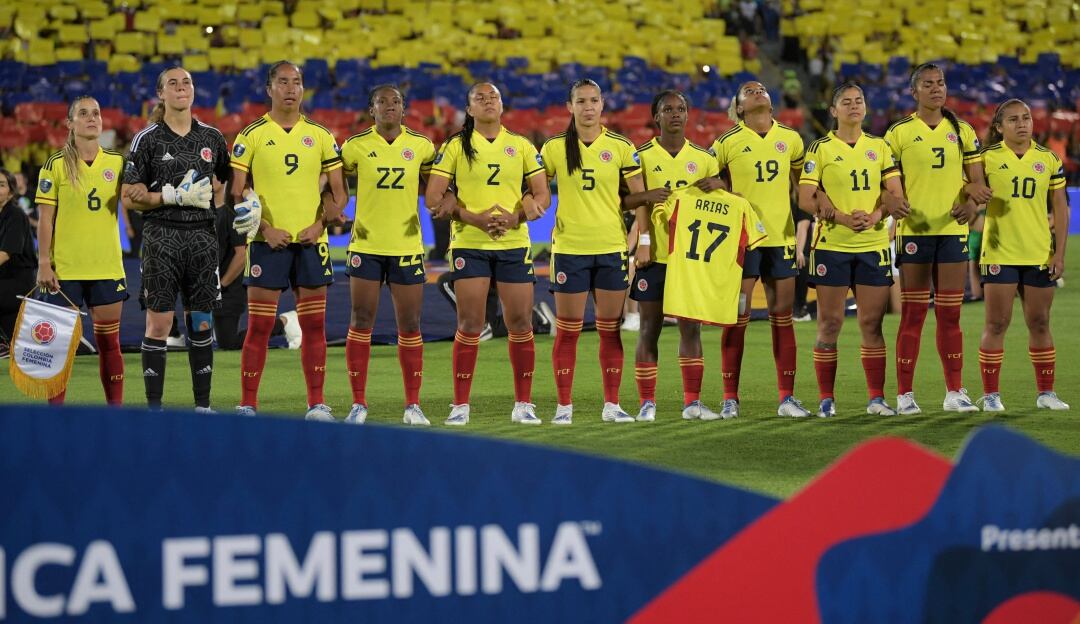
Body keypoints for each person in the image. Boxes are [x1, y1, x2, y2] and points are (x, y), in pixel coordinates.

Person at [425, 82, 550, 426]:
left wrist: (517, 217)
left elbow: (542, 195)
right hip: (470, 243)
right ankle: (460, 405)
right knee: (470, 323)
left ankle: (523, 404)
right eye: (479, 98)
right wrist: (473, 219)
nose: (488, 101)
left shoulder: (521, 145)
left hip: (513, 243)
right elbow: (434, 197)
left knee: (520, 323)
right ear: (469, 109)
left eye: (493, 95)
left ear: (503, 103)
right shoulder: (455, 146)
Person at [230, 61, 347, 420]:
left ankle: (316, 403)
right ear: (269, 89)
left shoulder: (322, 135)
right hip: (268, 243)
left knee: (313, 327)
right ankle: (248, 404)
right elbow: (237, 193)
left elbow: (340, 194)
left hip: (311, 243)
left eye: (296, 82)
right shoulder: (250, 135)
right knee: (260, 326)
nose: (291, 89)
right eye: (283, 82)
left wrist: (321, 223)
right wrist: (265, 229)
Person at [122, 67, 232, 412]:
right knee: (159, 324)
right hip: (161, 238)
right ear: (161, 94)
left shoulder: (213, 138)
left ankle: (203, 406)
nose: (182, 88)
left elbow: (228, 182)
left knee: (201, 322)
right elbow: (128, 195)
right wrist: (168, 196)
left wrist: (244, 205)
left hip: (202, 238)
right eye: (174, 83)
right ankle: (155, 409)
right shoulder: (148, 139)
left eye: (187, 82)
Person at [884, 63, 991, 414]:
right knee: (912, 314)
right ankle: (904, 395)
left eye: (941, 83)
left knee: (950, 315)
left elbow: (977, 185)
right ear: (914, 92)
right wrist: (892, 204)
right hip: (914, 231)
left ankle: (955, 392)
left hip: (952, 233)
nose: (936, 89)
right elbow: (884, 185)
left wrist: (972, 209)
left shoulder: (963, 131)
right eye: (928, 84)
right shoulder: (898, 133)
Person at [798, 82, 909, 418]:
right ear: (834, 111)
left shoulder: (880, 147)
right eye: (846, 102)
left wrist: (876, 214)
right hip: (832, 246)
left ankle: (876, 398)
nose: (853, 106)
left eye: (858, 100)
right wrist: (843, 218)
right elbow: (805, 198)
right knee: (829, 324)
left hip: (873, 245)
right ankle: (825, 399)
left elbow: (895, 194)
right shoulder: (819, 149)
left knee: (871, 324)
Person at [540, 78, 646, 425]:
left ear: (603, 105)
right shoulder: (554, 147)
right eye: (581, 101)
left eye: (594, 100)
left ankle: (612, 405)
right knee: (568, 330)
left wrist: (642, 244)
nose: (588, 107)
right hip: (570, 249)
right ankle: (564, 407)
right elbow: (534, 189)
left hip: (611, 248)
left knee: (609, 329)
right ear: (569, 107)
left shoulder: (620, 146)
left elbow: (641, 200)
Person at [712, 81, 813, 418]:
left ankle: (787, 397)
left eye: (761, 89)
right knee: (737, 317)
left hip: (780, 240)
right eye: (748, 91)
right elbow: (709, 186)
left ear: (770, 101)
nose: (757, 91)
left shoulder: (792, 139)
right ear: (739, 108)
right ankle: (730, 398)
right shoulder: (726, 143)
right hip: (742, 243)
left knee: (782, 319)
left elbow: (805, 189)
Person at [339, 85, 437, 426]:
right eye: (383, 102)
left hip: (407, 246)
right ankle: (358, 404)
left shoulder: (422, 147)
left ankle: (413, 405)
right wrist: (332, 209)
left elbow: (438, 188)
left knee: (410, 325)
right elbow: (333, 183)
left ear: (404, 109)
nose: (390, 107)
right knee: (360, 321)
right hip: (366, 246)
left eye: (396, 102)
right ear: (372, 110)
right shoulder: (354, 147)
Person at [626, 90, 725, 422]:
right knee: (649, 328)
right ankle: (646, 403)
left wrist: (721, 186)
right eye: (668, 109)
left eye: (681, 108)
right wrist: (642, 238)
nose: (675, 114)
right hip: (654, 253)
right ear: (656, 116)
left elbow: (719, 207)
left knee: (690, 331)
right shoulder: (639, 156)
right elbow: (625, 200)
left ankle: (692, 403)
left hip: (690, 258)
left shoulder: (705, 158)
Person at [976, 99, 1070, 412]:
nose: (1022, 124)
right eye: (1014, 119)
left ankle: (1046, 393)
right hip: (1000, 251)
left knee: (1040, 322)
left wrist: (1059, 253)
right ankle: (991, 396)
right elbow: (967, 188)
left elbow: (1059, 206)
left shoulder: (1048, 158)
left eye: (1026, 118)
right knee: (997, 324)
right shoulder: (986, 158)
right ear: (999, 127)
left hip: (1039, 252)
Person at [34, 96, 127, 405]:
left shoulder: (117, 162)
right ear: (69, 123)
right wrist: (44, 262)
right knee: (58, 348)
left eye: (97, 113)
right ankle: (55, 417)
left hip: (107, 267)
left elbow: (135, 200)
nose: (92, 118)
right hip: (66, 270)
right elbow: (45, 220)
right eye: (84, 113)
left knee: (109, 343)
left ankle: (115, 414)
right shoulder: (55, 164)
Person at [212, 201, 301, 351]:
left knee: (228, 343)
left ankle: (284, 322)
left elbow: (242, 255)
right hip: (214, 283)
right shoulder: (209, 210)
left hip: (230, 286)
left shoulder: (233, 212)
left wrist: (221, 285)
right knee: (216, 337)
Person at [0, 169, 37, 357]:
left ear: (11, 192)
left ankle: (2, 345)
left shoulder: (15, 215)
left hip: (17, 283)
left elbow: (5, 254)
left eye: (1, 185)